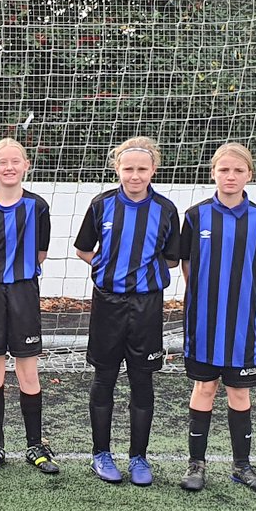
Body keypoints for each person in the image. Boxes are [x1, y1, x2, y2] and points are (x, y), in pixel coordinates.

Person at [74, 136, 180, 485]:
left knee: (141, 380)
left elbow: (171, 258)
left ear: (154, 170)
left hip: (146, 305)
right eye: (128, 168)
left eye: (142, 169)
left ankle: (139, 459)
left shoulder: (165, 210)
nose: (135, 175)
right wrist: (108, 269)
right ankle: (101, 454)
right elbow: (84, 249)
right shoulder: (102, 204)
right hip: (108, 302)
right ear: (117, 168)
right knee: (104, 377)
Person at [179, 142, 256, 494]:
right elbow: (187, 266)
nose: (230, 176)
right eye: (224, 170)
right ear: (213, 173)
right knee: (204, 387)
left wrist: (239, 293)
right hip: (203, 321)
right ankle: (196, 465)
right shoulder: (195, 215)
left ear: (249, 174)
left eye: (238, 170)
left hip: (242, 323)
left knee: (239, 392)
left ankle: (242, 466)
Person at [0, 138, 58, 474]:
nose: (8, 166)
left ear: (26, 165)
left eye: (15, 161)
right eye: (1, 161)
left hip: (23, 293)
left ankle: (36, 446)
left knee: (28, 371)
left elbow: (40, 254)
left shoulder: (38, 207)